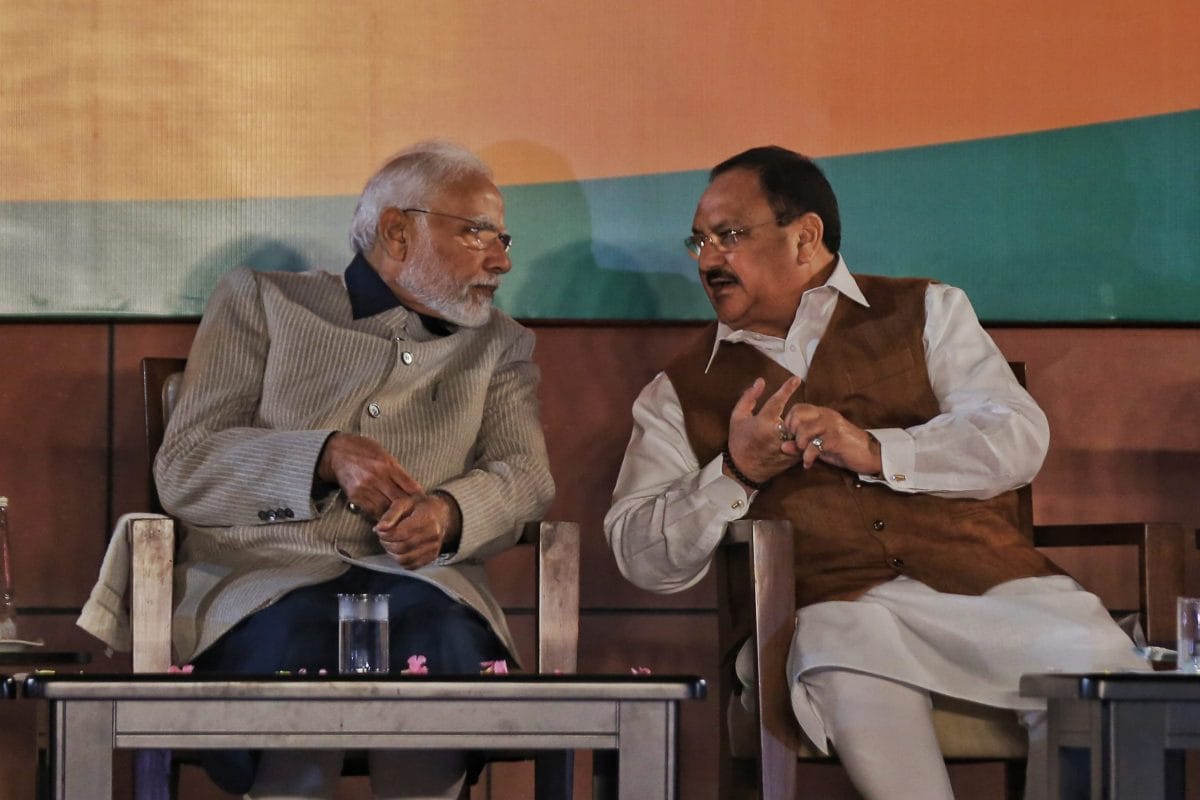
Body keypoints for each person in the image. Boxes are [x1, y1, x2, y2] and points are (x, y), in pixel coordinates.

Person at [603, 146, 1146, 800]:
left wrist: (877, 450)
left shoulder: (928, 310)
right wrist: (734, 472)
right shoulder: (679, 391)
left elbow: (1016, 435)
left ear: (805, 237)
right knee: (842, 642)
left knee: (1097, 668)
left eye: (729, 236)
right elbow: (639, 553)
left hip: (989, 588)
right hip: (829, 609)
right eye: (700, 241)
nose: (709, 259)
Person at [151, 141, 554, 799]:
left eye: (503, 238)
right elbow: (186, 465)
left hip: (425, 587)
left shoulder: (501, 343)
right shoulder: (263, 301)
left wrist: (451, 515)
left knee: (437, 643)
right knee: (294, 648)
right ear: (399, 231)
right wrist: (321, 455)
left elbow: (526, 476)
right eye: (477, 234)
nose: (502, 261)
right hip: (265, 586)